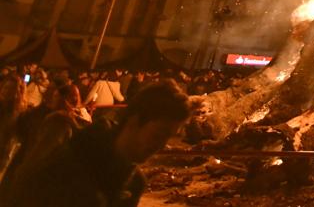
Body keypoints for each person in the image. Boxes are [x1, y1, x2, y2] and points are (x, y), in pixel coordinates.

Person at [4, 79, 191, 207]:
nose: (162, 145)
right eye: (159, 134)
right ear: (135, 121)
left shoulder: (134, 184)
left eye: (169, 137)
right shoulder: (68, 162)